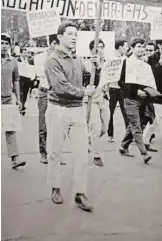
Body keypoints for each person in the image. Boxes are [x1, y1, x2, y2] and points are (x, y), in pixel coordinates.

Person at [44, 21, 95, 212]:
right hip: (58, 109)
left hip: (77, 110)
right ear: (60, 37)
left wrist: (93, 66)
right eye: (70, 34)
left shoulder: (78, 58)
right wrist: (84, 92)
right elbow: (61, 87)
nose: (74, 37)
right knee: (55, 152)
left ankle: (80, 193)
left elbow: (87, 77)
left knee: (82, 153)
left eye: (76, 34)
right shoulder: (52, 60)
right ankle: (55, 187)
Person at [118, 38, 153, 164]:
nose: (141, 49)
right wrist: (135, 91)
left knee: (136, 124)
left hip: (143, 99)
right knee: (136, 126)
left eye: (143, 46)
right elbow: (120, 82)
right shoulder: (126, 63)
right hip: (130, 99)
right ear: (132, 48)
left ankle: (123, 146)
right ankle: (144, 153)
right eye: (138, 46)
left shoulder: (145, 64)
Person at [1, 33, 26, 169]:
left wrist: (18, 98)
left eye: (6, 44)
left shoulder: (13, 62)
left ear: (9, 46)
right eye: (1, 43)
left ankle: (14, 159)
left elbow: (16, 80)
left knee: (10, 128)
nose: (3, 47)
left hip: (6, 99)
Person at [85, 39, 110, 167]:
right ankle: (96, 154)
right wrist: (96, 65)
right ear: (91, 50)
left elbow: (108, 78)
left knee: (104, 128)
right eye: (97, 47)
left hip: (104, 99)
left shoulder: (106, 64)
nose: (100, 49)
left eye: (102, 47)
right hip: (92, 100)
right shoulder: (88, 64)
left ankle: (88, 140)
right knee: (95, 127)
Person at [34, 36, 59, 164]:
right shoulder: (39, 58)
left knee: (57, 124)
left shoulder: (60, 58)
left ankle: (55, 153)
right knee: (43, 123)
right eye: (56, 44)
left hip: (57, 93)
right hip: (44, 91)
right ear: (52, 43)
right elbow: (39, 74)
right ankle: (43, 152)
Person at [107, 39, 129, 142]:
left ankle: (128, 135)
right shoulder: (110, 59)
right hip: (112, 88)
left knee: (126, 113)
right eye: (125, 46)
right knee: (110, 113)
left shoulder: (126, 59)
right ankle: (110, 134)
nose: (127, 48)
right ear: (120, 47)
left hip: (122, 89)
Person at [17, 47, 34, 115]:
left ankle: (23, 104)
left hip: (28, 79)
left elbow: (32, 69)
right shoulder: (18, 59)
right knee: (21, 93)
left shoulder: (30, 60)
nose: (25, 54)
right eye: (24, 53)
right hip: (20, 79)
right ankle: (21, 107)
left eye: (26, 53)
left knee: (25, 93)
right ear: (21, 53)